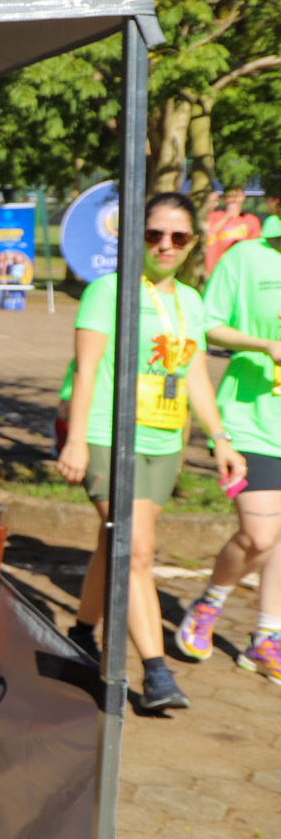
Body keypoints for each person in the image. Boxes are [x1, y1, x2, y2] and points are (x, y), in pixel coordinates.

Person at [57, 191, 244, 710]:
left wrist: (219, 439)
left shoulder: (190, 300)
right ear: (134, 236)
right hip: (105, 437)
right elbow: (88, 370)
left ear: (191, 244)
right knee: (137, 551)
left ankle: (80, 633)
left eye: (178, 237)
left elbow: (195, 378)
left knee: (113, 541)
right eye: (154, 234)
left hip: (164, 443)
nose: (165, 245)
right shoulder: (108, 292)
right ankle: (155, 671)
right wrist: (74, 439)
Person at [173, 225, 281, 685]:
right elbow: (208, 324)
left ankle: (266, 638)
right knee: (258, 535)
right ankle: (210, 602)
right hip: (253, 421)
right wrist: (264, 345)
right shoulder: (247, 257)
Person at [205, 185, 263, 275]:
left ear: (243, 198)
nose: (233, 200)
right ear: (224, 199)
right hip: (216, 267)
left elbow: (255, 245)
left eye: (237, 197)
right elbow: (209, 235)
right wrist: (227, 216)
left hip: (240, 266)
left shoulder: (251, 220)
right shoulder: (214, 216)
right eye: (230, 197)